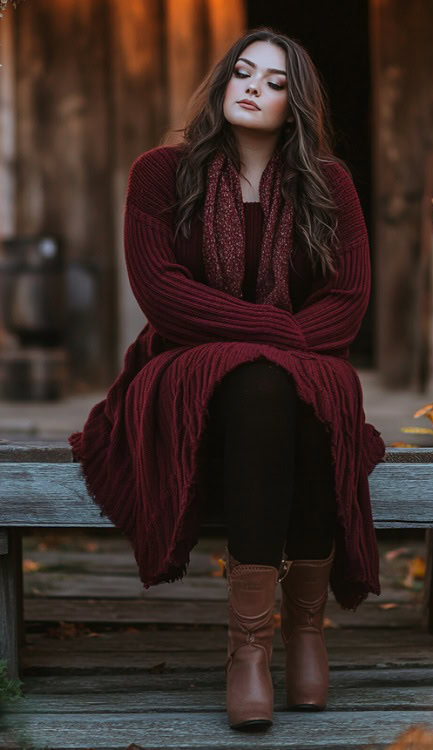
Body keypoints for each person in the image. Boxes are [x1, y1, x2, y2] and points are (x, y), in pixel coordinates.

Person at [68, 26, 386, 733]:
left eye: (276, 83)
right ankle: (247, 649)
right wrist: (280, 333)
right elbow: (163, 294)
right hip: (183, 370)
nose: (254, 87)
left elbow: (349, 300)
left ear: (295, 106)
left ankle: (305, 632)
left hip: (290, 385)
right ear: (222, 83)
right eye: (244, 72)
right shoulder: (160, 172)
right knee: (269, 379)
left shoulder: (328, 184)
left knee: (301, 392)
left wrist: (277, 347)